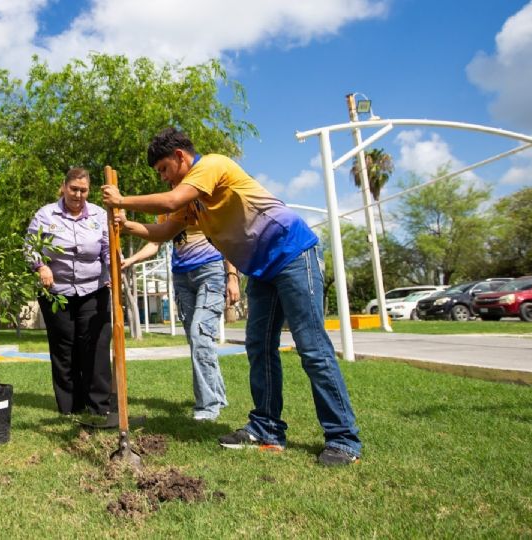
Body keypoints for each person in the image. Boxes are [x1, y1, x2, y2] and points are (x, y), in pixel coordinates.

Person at [102, 128, 362, 466]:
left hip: (293, 254)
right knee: (258, 347)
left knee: (312, 348)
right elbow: (166, 230)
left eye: (164, 169)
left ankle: (343, 439)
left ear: (181, 157)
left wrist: (122, 199)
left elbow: (169, 201)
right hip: (263, 271)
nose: (164, 178)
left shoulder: (211, 165)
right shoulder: (194, 199)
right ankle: (267, 428)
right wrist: (126, 222)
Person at [121, 222, 239, 421]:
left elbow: (225, 236)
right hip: (182, 277)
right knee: (199, 340)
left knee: (199, 335)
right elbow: (155, 242)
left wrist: (232, 276)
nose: (173, 188)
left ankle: (208, 407)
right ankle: (218, 397)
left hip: (210, 271)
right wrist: (130, 260)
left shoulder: (202, 198)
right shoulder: (168, 210)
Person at [27, 167, 112, 416]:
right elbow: (30, 248)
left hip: (93, 290)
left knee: (95, 347)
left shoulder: (99, 214)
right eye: (73, 189)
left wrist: (113, 262)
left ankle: (99, 407)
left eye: (83, 190)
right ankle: (71, 408)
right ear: (64, 187)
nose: (78, 194)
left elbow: (107, 248)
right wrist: (41, 266)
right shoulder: (45, 215)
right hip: (56, 292)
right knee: (65, 349)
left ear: (89, 190)